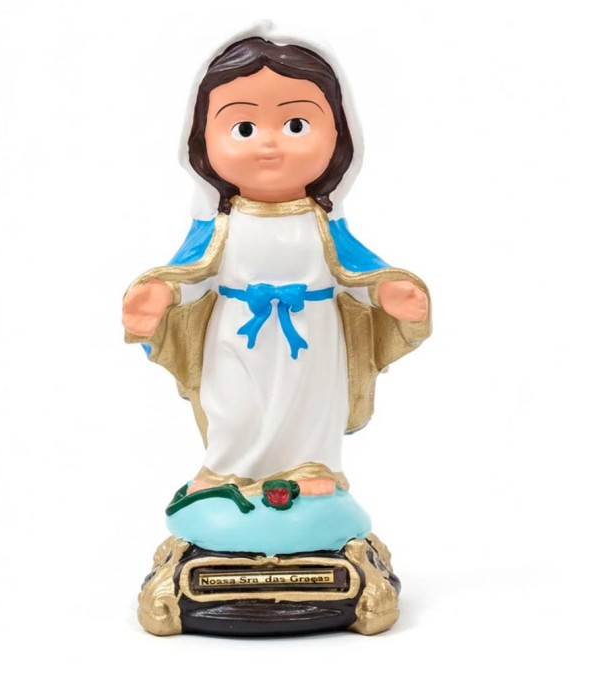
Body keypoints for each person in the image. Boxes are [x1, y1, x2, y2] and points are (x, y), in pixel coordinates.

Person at [122, 36, 430, 554]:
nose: (269, 144)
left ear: (338, 135)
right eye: (243, 128)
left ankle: (313, 469)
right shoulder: (221, 223)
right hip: (235, 333)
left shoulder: (322, 222)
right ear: (203, 138)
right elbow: (190, 271)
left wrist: (388, 292)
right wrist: (162, 294)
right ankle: (226, 468)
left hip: (313, 337)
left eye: (296, 125)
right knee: (233, 403)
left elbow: (358, 270)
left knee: (310, 406)